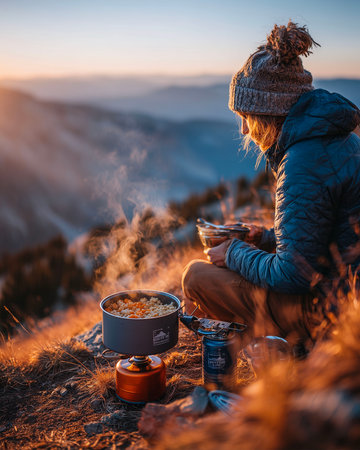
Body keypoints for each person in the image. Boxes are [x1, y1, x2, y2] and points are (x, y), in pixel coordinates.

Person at [182, 22, 360, 349]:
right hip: (346, 297)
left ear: (267, 113)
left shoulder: (303, 163)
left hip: (333, 315)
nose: (246, 131)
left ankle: (276, 348)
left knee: (195, 276)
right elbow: (324, 239)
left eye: (246, 117)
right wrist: (264, 238)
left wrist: (235, 251)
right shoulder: (337, 140)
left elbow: (293, 276)